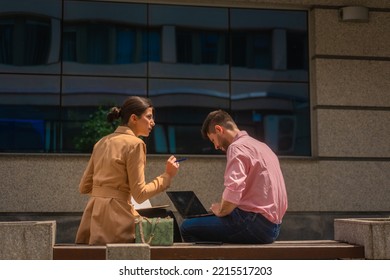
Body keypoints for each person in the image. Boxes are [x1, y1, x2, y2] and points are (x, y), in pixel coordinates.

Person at [75, 96, 180, 245]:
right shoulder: (136, 144)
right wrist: (167, 175)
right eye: (149, 117)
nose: (153, 122)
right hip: (118, 218)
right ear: (133, 118)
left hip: (92, 217)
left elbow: (83, 187)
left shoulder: (101, 142)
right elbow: (140, 194)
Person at [180, 110, 288, 244]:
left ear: (219, 129)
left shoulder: (236, 148)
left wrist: (221, 210)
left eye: (213, 140)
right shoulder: (262, 146)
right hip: (274, 227)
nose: (216, 146)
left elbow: (234, 190)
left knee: (187, 227)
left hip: (254, 224)